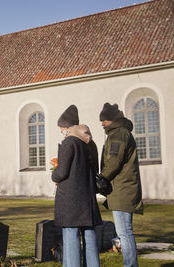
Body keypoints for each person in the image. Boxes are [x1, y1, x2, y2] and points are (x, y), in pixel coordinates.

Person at [52, 105, 102, 267]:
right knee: (89, 235)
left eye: (62, 128)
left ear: (68, 127)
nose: (61, 132)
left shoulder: (69, 143)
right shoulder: (89, 143)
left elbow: (62, 171)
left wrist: (54, 175)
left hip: (71, 198)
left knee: (70, 235)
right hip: (86, 196)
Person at [99, 103, 143, 267]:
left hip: (123, 189)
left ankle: (130, 265)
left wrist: (102, 178)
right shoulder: (119, 133)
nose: (102, 123)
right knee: (124, 232)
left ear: (111, 119)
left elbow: (114, 160)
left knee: (124, 232)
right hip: (122, 188)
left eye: (103, 120)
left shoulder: (118, 134)